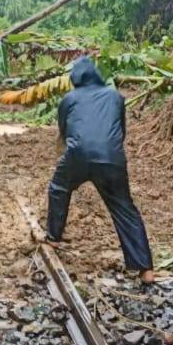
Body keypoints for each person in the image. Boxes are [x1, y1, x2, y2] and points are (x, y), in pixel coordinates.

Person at [46, 56, 154, 284]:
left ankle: (53, 238)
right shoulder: (116, 97)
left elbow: (64, 129)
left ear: (74, 78)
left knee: (59, 187)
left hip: (77, 154)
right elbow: (120, 131)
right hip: (111, 158)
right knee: (124, 208)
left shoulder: (69, 99)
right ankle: (146, 269)